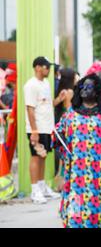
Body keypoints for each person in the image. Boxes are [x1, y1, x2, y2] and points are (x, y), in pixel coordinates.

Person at [54, 74, 101, 227]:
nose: (85, 89)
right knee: (77, 213)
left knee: (100, 210)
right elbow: (58, 138)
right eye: (82, 86)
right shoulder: (70, 114)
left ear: (98, 91)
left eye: (90, 87)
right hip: (77, 173)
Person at [24, 57, 64, 204]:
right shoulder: (31, 85)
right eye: (46, 67)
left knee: (43, 156)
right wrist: (34, 130)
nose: (48, 69)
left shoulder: (46, 83)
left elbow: (47, 104)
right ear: (38, 68)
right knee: (35, 156)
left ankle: (42, 187)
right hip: (37, 128)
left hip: (47, 128)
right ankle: (35, 190)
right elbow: (30, 108)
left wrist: (59, 99)